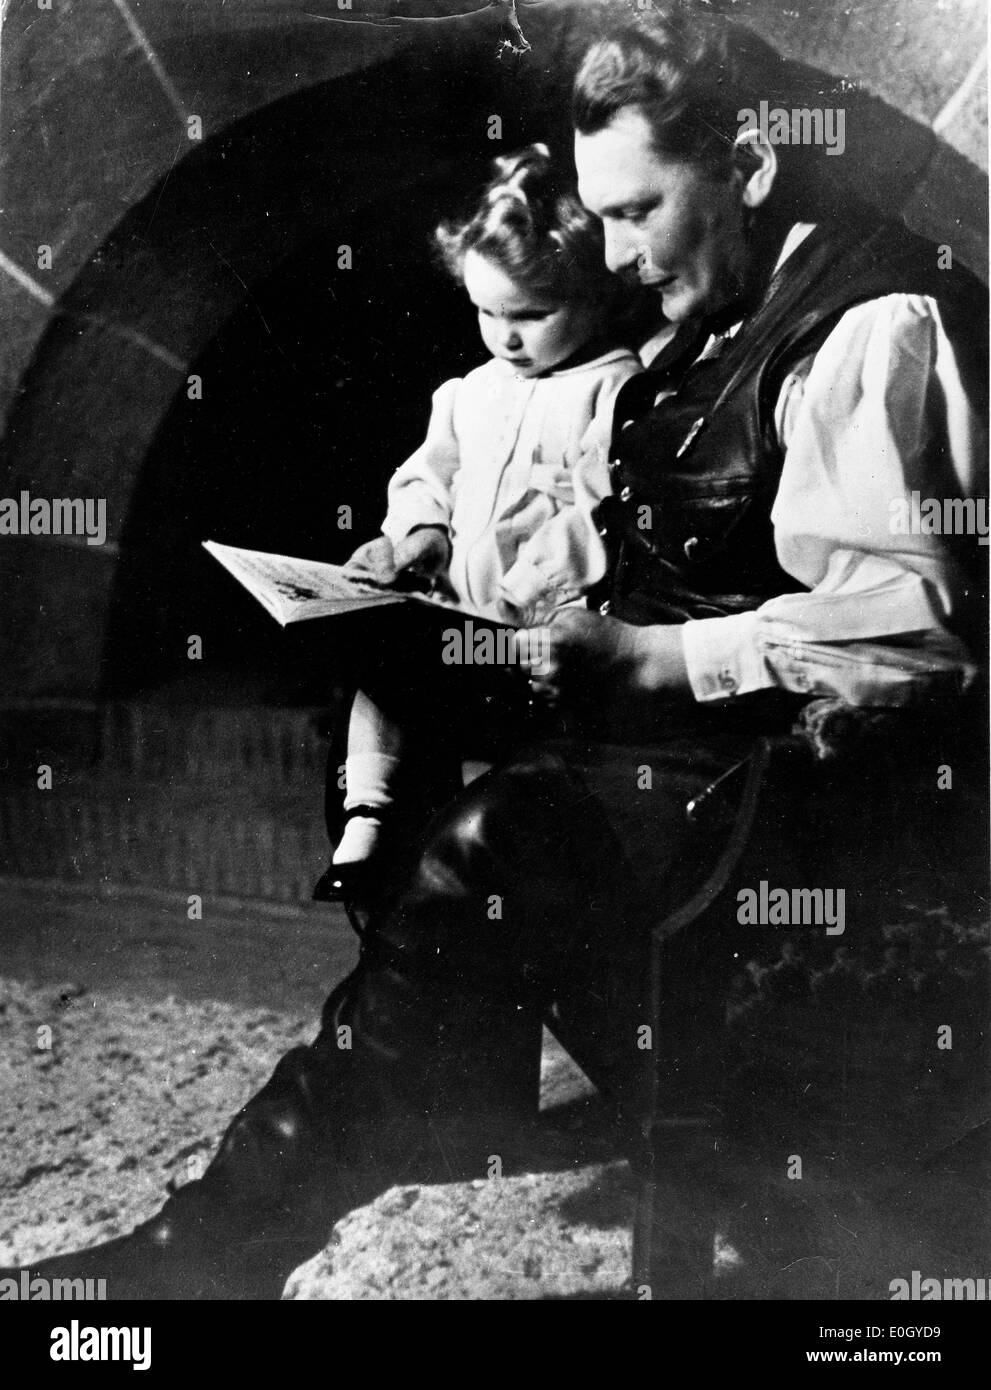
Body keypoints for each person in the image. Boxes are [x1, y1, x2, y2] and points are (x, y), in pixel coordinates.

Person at [8, 3, 986, 1299]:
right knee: (447, 803)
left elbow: (911, 637)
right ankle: (301, 1182)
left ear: (745, 164)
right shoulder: (704, 328)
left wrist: (643, 664)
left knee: (492, 846)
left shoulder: (865, 332)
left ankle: (222, 1244)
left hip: (808, 823)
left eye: (637, 211)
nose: (619, 257)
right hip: (688, 773)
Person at [325, 143, 641, 891]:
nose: (504, 336)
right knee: (379, 670)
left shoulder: (614, 388)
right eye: (485, 311)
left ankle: (476, 857)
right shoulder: (469, 392)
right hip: (452, 614)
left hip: (532, 634)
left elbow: (603, 513)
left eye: (530, 315)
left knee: (504, 757)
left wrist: (522, 591)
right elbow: (427, 476)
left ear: (598, 293)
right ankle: (366, 811)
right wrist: (417, 534)